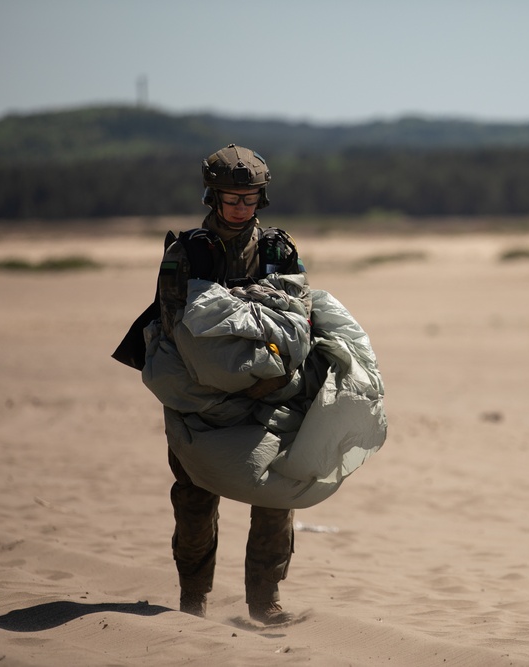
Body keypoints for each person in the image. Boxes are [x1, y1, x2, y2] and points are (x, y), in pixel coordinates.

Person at [156, 144, 304, 625]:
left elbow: (296, 318)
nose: (240, 207)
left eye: (250, 198)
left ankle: (265, 601)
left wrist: (263, 372)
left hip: (269, 393)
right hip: (200, 397)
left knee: (276, 495)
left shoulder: (278, 249)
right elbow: (182, 329)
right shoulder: (189, 252)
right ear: (211, 197)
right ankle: (192, 601)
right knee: (195, 499)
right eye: (231, 198)